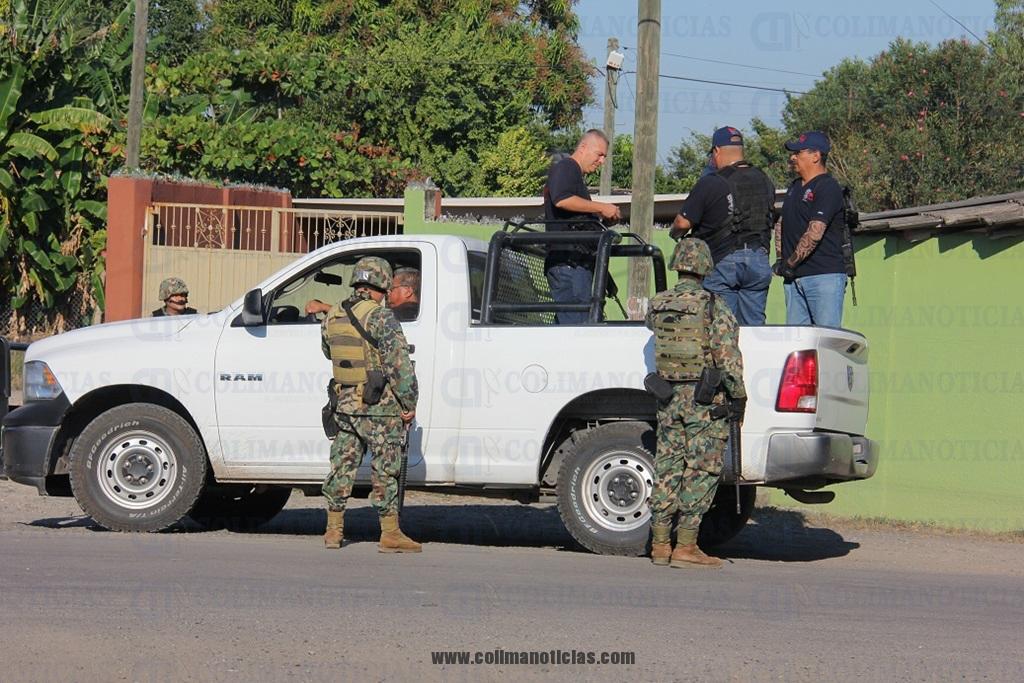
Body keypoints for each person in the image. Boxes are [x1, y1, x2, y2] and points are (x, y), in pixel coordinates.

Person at [646, 238, 746, 569]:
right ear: (705, 266)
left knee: (668, 465)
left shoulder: (657, 304)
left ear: (677, 264)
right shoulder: (714, 305)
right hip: (703, 399)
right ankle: (686, 546)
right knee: (701, 467)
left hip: (668, 397)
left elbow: (653, 330)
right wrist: (739, 395)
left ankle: (660, 545)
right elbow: (727, 355)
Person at [320, 256, 420, 553]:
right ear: (384, 284)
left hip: (345, 406)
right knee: (384, 469)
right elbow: (398, 363)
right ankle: (390, 534)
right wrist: (409, 401)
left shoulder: (334, 314)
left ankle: (333, 531)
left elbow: (328, 352)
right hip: (379, 406)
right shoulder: (380, 316)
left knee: (342, 466)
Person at [670, 126, 775, 325]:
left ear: (716, 151)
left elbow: (682, 222)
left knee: (721, 327)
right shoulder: (764, 179)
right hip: (759, 261)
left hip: (723, 262)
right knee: (754, 329)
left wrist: (675, 233)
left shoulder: (712, 182)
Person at [542, 129, 622, 324]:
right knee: (578, 331)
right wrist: (601, 208)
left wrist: (602, 219)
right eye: (600, 154)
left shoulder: (574, 175)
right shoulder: (566, 167)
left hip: (575, 265)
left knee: (572, 328)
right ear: (584, 147)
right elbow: (562, 199)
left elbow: (575, 217)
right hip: (569, 264)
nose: (602, 161)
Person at [774, 131, 848, 327]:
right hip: (794, 278)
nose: (793, 157)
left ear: (816, 156)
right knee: (797, 343)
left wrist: (790, 263)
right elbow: (782, 222)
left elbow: (815, 231)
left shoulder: (827, 187)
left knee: (825, 340)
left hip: (823, 277)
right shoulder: (794, 187)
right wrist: (781, 259)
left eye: (798, 153)